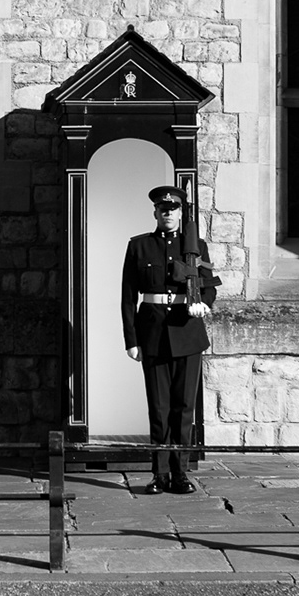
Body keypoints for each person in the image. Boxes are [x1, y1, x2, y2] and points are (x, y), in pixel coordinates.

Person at [120, 184, 218, 494]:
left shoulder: (196, 246)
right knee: (159, 408)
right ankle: (159, 474)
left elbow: (209, 285)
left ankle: (181, 473)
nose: (168, 214)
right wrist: (131, 339)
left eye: (173, 209)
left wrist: (204, 303)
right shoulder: (139, 246)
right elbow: (127, 297)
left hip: (187, 331)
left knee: (184, 408)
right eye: (163, 210)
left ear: (180, 213)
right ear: (155, 213)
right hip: (153, 334)